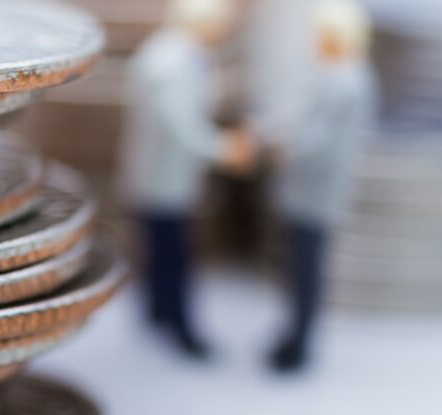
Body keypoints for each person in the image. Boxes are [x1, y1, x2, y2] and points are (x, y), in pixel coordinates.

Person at [118, 0, 254, 358]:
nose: (223, 32)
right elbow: (182, 127)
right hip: (163, 177)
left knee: (161, 249)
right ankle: (180, 328)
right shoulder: (170, 63)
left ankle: (158, 313)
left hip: (165, 173)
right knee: (174, 254)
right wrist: (225, 150)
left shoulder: (178, 54)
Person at [256, 0, 377, 371]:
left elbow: (320, 139)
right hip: (305, 188)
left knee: (306, 269)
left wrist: (280, 148)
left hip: (318, 190)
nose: (315, 40)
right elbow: (297, 113)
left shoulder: (348, 82)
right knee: (297, 266)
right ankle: (292, 334)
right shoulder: (332, 73)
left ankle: (298, 344)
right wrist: (269, 130)